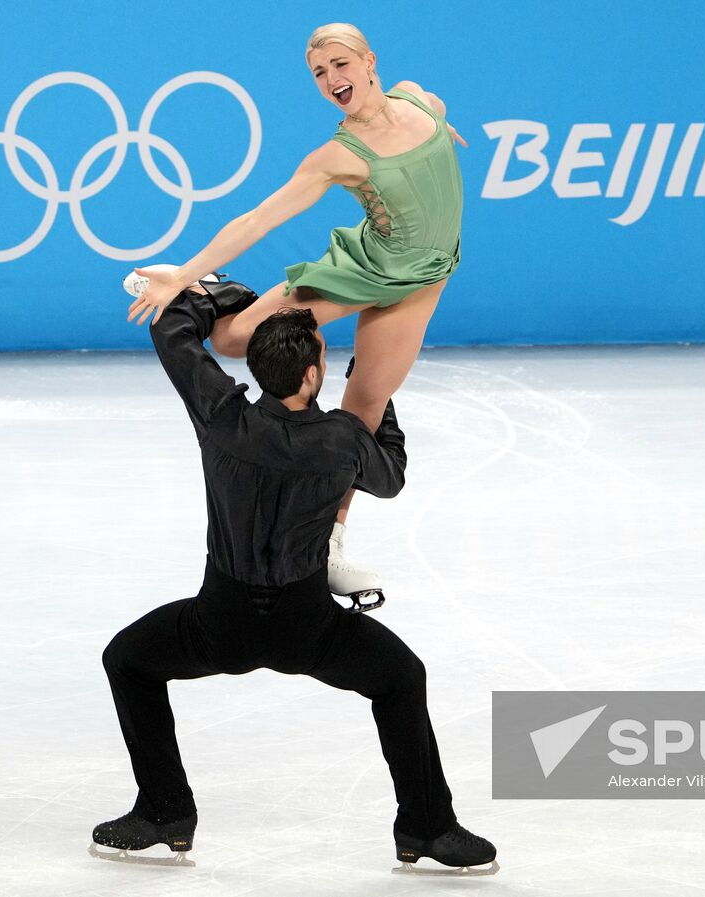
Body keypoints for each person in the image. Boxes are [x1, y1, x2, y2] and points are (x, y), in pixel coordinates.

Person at [91, 282, 497, 875]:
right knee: (402, 678)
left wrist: (224, 295)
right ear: (312, 376)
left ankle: (164, 811)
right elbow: (391, 479)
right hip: (308, 629)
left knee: (127, 659)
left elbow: (170, 329)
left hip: (218, 623)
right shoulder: (341, 440)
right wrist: (377, 397)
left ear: (255, 366)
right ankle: (427, 827)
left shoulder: (221, 414)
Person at [124, 21, 467, 607]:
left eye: (340, 64)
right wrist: (179, 272)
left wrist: (440, 138)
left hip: (423, 281)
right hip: (365, 269)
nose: (332, 79)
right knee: (234, 343)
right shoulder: (338, 155)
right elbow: (259, 219)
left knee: (364, 408)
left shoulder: (420, 101)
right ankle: (202, 289)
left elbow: (432, 118)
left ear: (368, 62)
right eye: (319, 73)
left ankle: (327, 546)